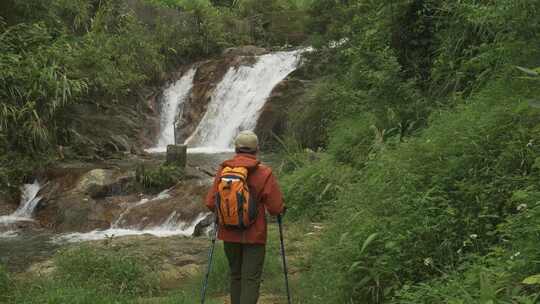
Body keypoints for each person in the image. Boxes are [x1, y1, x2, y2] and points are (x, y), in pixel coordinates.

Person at [205, 130, 285, 304]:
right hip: (255, 236)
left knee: (236, 276)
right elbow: (275, 207)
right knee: (251, 279)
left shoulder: (224, 170)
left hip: (229, 233)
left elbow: (211, 202)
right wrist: (280, 210)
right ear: (257, 149)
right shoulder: (264, 173)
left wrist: (228, 213)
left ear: (236, 149)